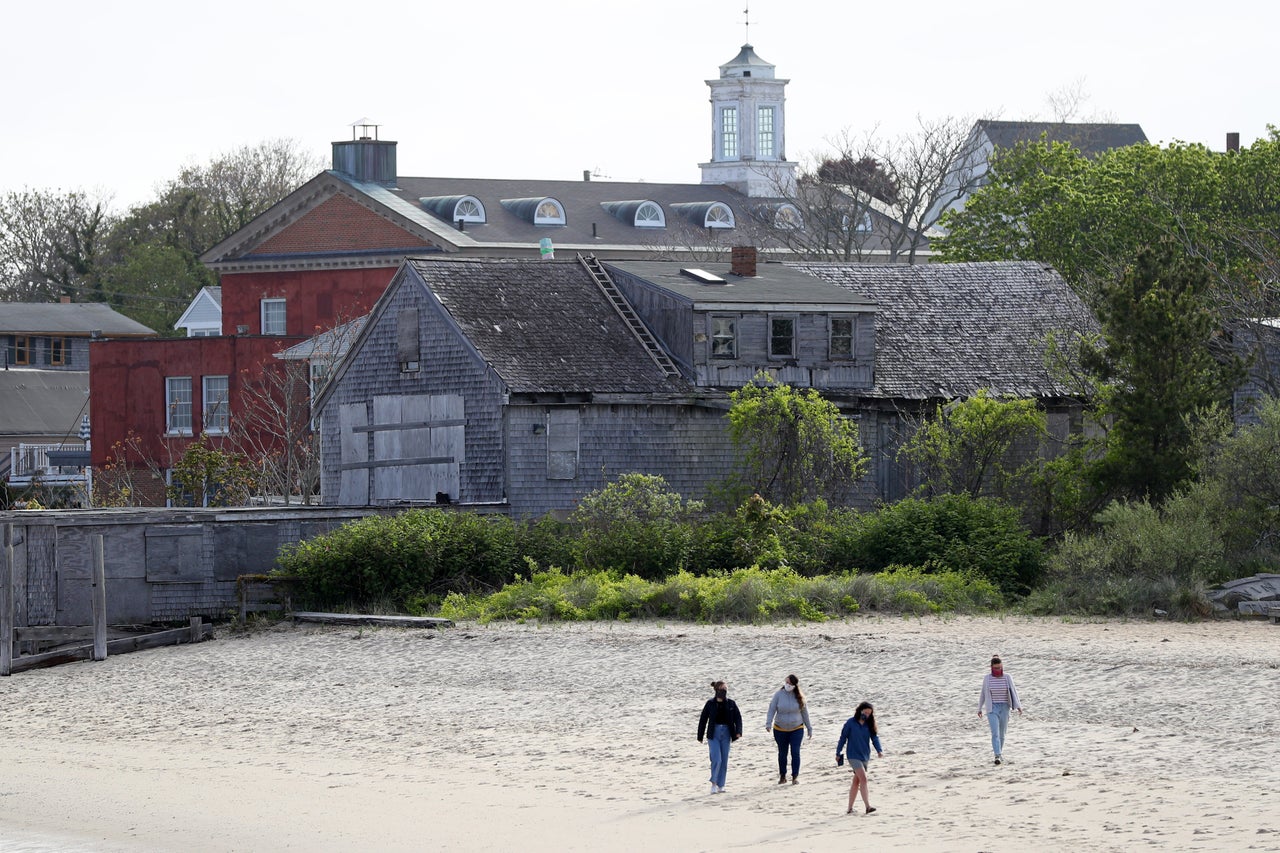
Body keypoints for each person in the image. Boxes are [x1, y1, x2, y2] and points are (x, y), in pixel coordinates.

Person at [837, 701, 885, 815]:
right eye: (865, 712)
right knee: (863, 779)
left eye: (869, 713)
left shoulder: (869, 724)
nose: (867, 715)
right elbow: (843, 738)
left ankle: (849, 808)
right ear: (860, 710)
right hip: (853, 755)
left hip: (865, 755)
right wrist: (838, 752)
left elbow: (874, 738)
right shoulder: (850, 723)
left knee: (856, 781)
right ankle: (868, 806)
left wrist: (879, 750)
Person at [765, 674, 812, 785]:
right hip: (780, 728)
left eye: (790, 683)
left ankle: (795, 776)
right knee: (782, 753)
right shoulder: (778, 695)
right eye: (786, 682)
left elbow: (805, 713)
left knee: (795, 752)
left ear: (794, 685)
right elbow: (772, 709)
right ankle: (782, 776)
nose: (787, 685)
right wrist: (768, 723)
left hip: (797, 728)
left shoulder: (799, 696)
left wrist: (809, 728)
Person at [697, 680, 743, 794]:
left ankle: (721, 785)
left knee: (724, 760)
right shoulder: (710, 704)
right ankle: (713, 783)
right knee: (716, 759)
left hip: (726, 733)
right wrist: (700, 735)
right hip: (713, 734)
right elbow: (703, 720)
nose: (724, 692)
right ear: (717, 691)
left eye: (726, 690)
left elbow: (738, 718)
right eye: (722, 690)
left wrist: (738, 731)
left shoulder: (731, 703)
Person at [977, 654, 1023, 765]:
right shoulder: (987, 678)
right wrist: (979, 708)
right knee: (995, 733)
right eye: (996, 668)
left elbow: (1013, 691)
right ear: (991, 667)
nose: (998, 670)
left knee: (1002, 734)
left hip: (1005, 707)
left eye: (1000, 667)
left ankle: (999, 754)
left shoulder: (1007, 677)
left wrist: (1018, 706)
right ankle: (997, 755)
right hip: (992, 708)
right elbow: (983, 694)